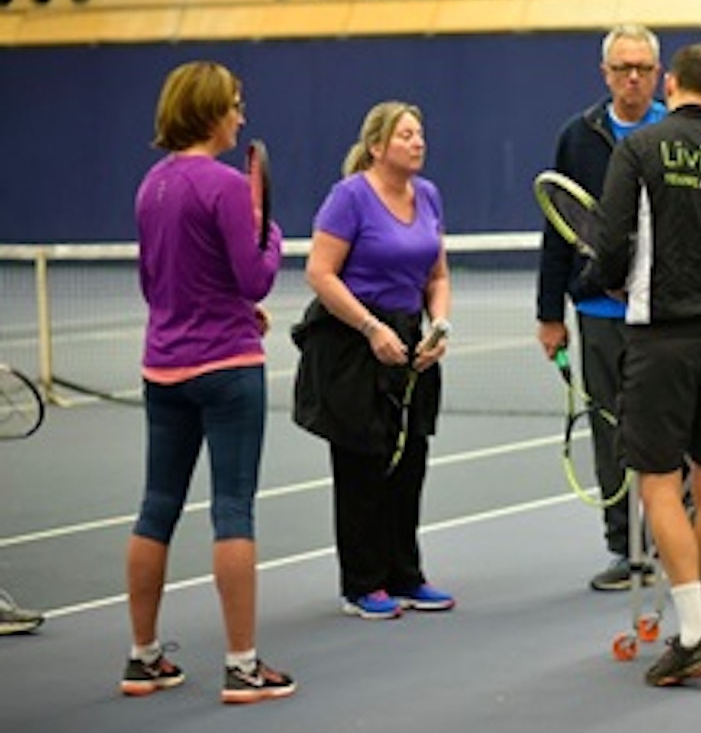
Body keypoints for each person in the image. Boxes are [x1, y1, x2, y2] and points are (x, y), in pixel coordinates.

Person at [586, 43, 701, 686]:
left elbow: (612, 245)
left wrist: (601, 279)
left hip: (659, 340)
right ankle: (699, 631)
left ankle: (694, 632)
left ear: (670, 85)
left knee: (659, 484)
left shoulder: (638, 151)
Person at [125, 61, 295, 703]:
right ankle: (243, 666)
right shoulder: (224, 187)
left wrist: (223, 303)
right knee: (233, 511)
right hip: (226, 369)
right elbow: (253, 276)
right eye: (234, 105)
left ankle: (142, 659)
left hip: (162, 368)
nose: (241, 116)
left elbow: (154, 284)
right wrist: (271, 236)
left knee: (155, 506)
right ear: (209, 111)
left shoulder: (151, 186)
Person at [293, 101, 454, 620]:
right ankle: (361, 584)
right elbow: (320, 272)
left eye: (420, 132)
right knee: (362, 463)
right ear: (378, 146)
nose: (418, 141)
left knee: (411, 460)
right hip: (351, 341)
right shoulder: (349, 198)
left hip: (411, 340)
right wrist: (370, 327)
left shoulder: (427, 195)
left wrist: (440, 327)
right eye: (406, 134)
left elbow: (437, 276)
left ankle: (406, 574)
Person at [536, 24, 668, 591]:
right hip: (597, 314)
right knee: (610, 431)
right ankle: (624, 548)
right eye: (622, 68)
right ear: (605, 74)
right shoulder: (578, 135)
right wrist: (549, 314)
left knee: (670, 432)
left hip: (664, 315)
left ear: (658, 73)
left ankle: (678, 543)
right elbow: (559, 226)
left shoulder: (678, 132)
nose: (632, 77)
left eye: (641, 67)